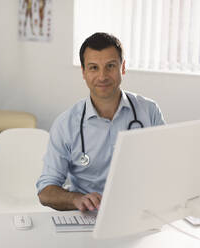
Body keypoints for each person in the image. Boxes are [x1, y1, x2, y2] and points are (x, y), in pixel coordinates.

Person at [36, 32, 165, 212]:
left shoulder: (149, 112)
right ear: (83, 72)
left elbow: (165, 167)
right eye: (93, 68)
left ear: (123, 67)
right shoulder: (66, 124)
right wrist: (76, 199)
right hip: (87, 216)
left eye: (110, 66)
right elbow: (45, 191)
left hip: (138, 211)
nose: (102, 76)